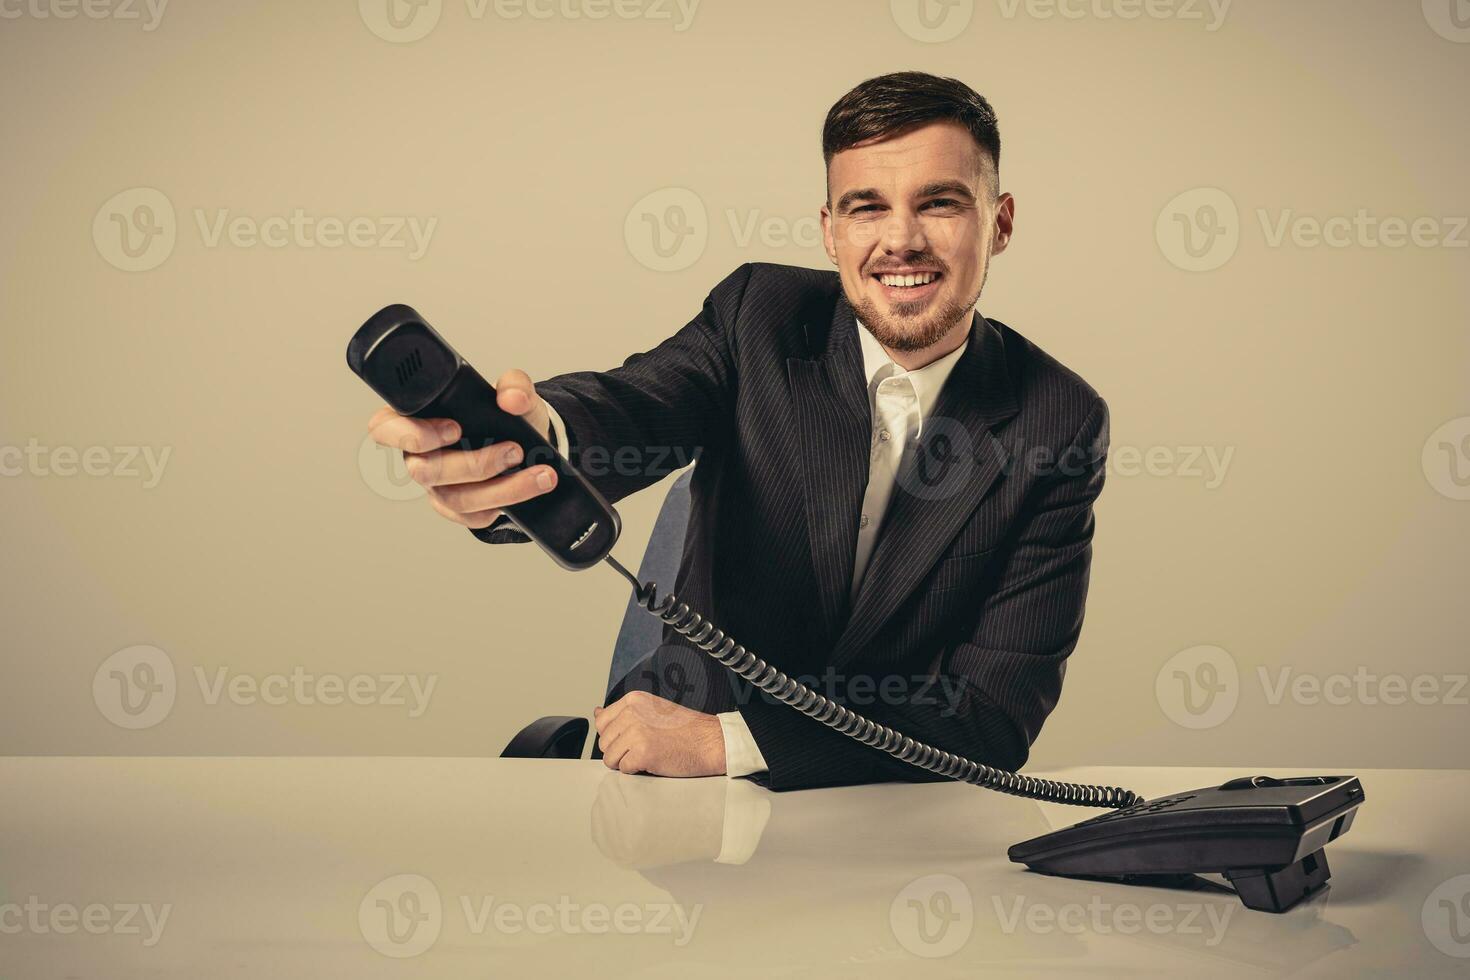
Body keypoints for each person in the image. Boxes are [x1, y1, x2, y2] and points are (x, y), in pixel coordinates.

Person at [367, 71, 1108, 790]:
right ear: (829, 231)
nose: (901, 240)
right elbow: (635, 405)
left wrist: (726, 742)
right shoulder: (759, 316)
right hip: (673, 792)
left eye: (940, 203)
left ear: (1000, 222)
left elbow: (991, 720)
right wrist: (532, 447)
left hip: (884, 812)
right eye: (866, 208)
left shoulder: (1058, 419)